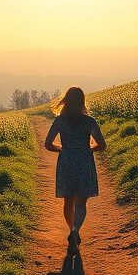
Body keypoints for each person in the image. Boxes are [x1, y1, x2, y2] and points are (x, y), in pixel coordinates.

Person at [45, 86, 106, 253]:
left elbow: (48, 144)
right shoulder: (89, 121)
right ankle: (75, 231)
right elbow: (102, 145)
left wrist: (63, 150)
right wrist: (88, 149)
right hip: (84, 162)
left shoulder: (59, 120)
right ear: (82, 101)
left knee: (68, 201)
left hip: (66, 161)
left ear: (66, 101)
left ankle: (70, 229)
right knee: (81, 203)